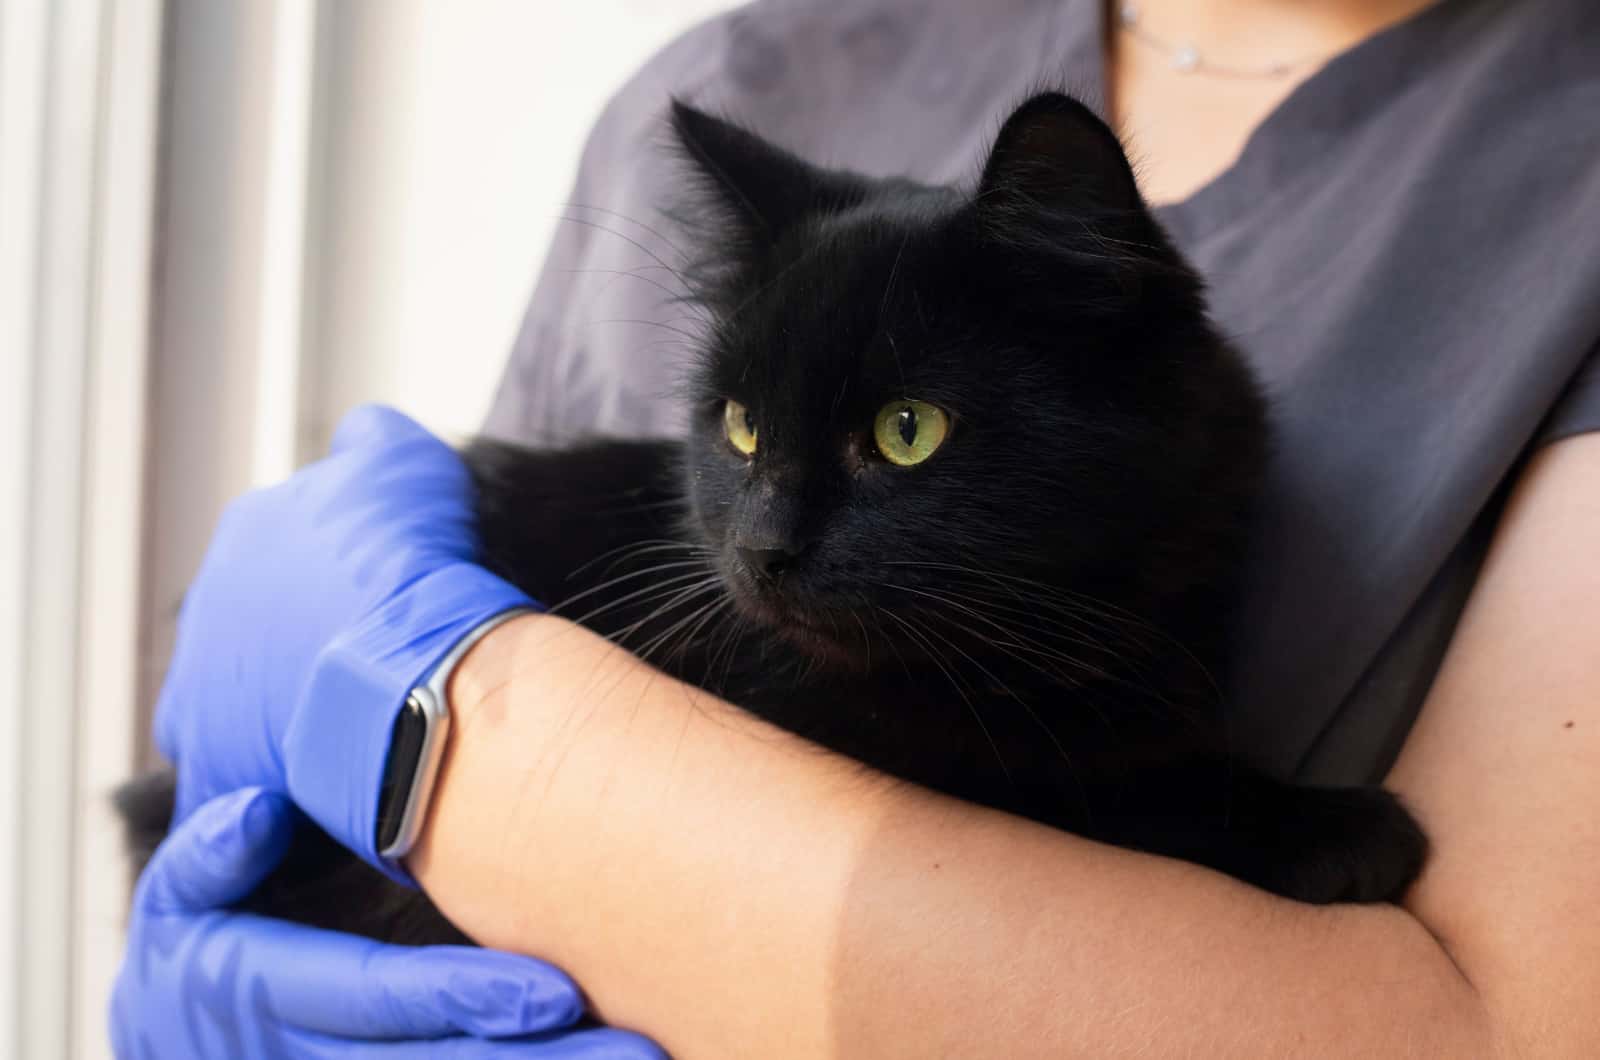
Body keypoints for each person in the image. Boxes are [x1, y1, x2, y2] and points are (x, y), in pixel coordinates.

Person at [114, 0, 1600, 1055]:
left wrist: (445, 729)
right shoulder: (737, 69)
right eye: (746, 441)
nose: (762, 543)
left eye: (900, 438)